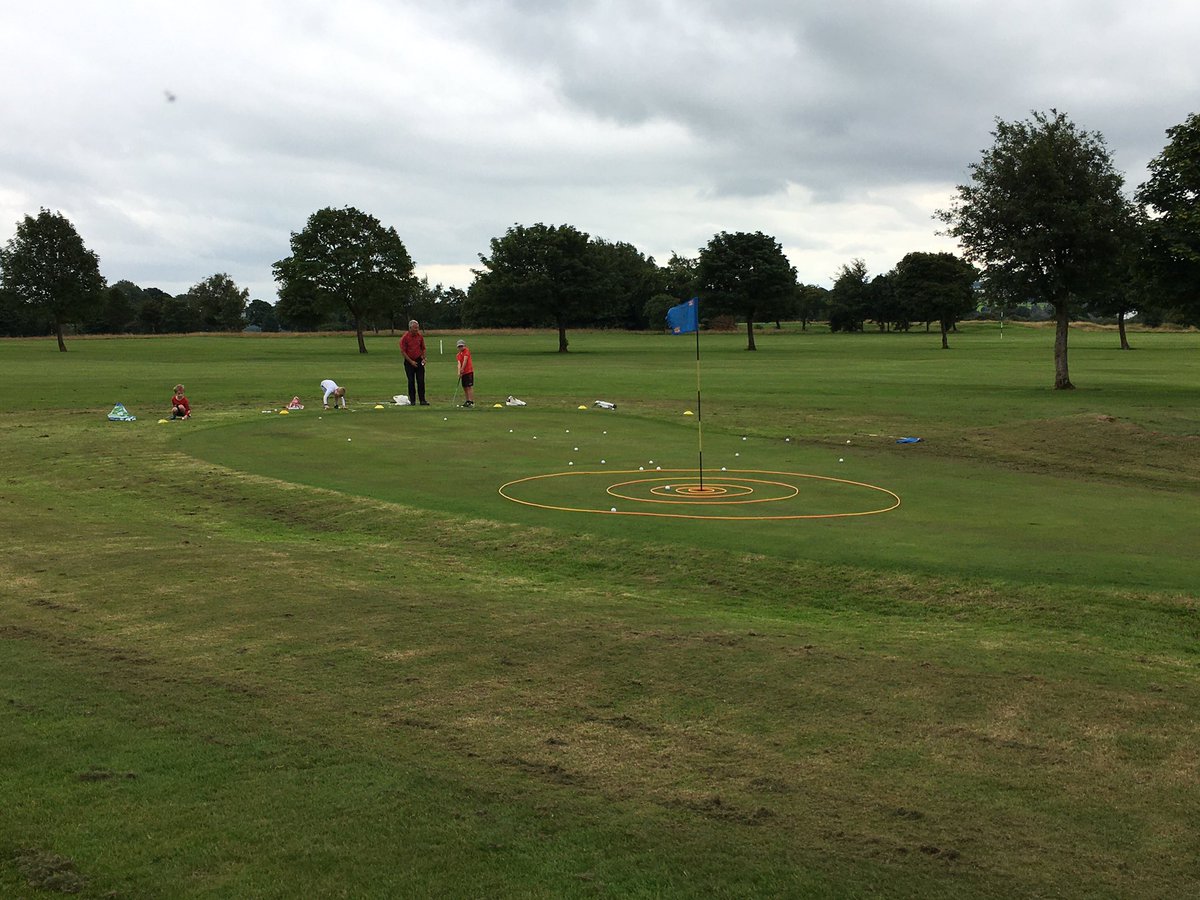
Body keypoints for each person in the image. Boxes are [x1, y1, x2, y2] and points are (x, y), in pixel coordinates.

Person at [399, 319, 429, 405]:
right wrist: (411, 361)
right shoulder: (405, 338)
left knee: (421, 381)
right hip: (409, 361)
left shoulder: (420, 336)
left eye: (417, 328)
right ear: (410, 328)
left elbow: (423, 348)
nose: (417, 330)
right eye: (415, 328)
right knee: (411, 381)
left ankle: (422, 400)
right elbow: (403, 351)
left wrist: (424, 358)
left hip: (419, 360)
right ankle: (412, 401)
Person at [455, 339, 475, 408]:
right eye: (459, 347)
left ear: (464, 346)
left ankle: (471, 401)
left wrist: (462, 369)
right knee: (464, 387)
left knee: (469, 387)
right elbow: (459, 363)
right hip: (463, 373)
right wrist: (459, 372)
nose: (460, 348)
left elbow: (465, 360)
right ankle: (467, 401)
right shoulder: (458, 355)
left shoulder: (466, 351)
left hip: (469, 371)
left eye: (461, 346)